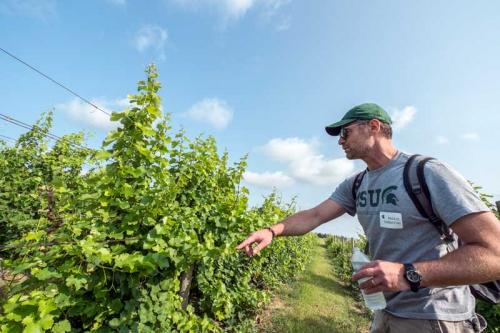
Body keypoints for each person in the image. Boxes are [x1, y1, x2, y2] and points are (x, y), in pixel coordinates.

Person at [236, 103, 500, 333]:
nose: (340, 140)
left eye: (345, 132)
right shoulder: (356, 184)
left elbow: (495, 255)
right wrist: (272, 230)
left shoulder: (427, 173)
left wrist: (408, 274)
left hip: (435, 318)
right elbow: (315, 215)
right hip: (385, 312)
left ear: (373, 126)